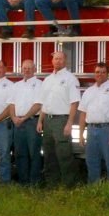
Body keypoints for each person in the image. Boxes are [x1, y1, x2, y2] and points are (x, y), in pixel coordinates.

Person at [35, 50, 83, 187]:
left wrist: (69, 123)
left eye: (60, 59)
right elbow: (43, 103)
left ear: (65, 61)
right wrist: (40, 121)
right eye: (56, 59)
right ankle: (52, 184)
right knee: (49, 154)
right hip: (48, 120)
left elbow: (74, 102)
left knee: (64, 154)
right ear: (52, 61)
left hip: (61, 120)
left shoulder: (70, 79)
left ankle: (69, 185)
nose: (58, 61)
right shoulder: (47, 80)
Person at [77, 62, 109, 184]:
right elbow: (83, 114)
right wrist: (81, 134)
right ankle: (94, 188)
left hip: (107, 130)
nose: (100, 74)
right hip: (91, 130)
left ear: (107, 74)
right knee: (91, 161)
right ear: (94, 74)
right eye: (97, 72)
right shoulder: (89, 91)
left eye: (103, 72)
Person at [11, 59, 44, 186]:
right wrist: (13, 117)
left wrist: (24, 118)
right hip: (17, 122)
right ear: (21, 69)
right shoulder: (16, 85)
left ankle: (34, 182)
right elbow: (11, 103)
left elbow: (38, 104)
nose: (27, 70)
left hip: (31, 122)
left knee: (34, 153)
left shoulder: (39, 84)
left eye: (29, 68)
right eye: (24, 68)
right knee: (19, 153)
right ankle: (23, 181)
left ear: (35, 69)